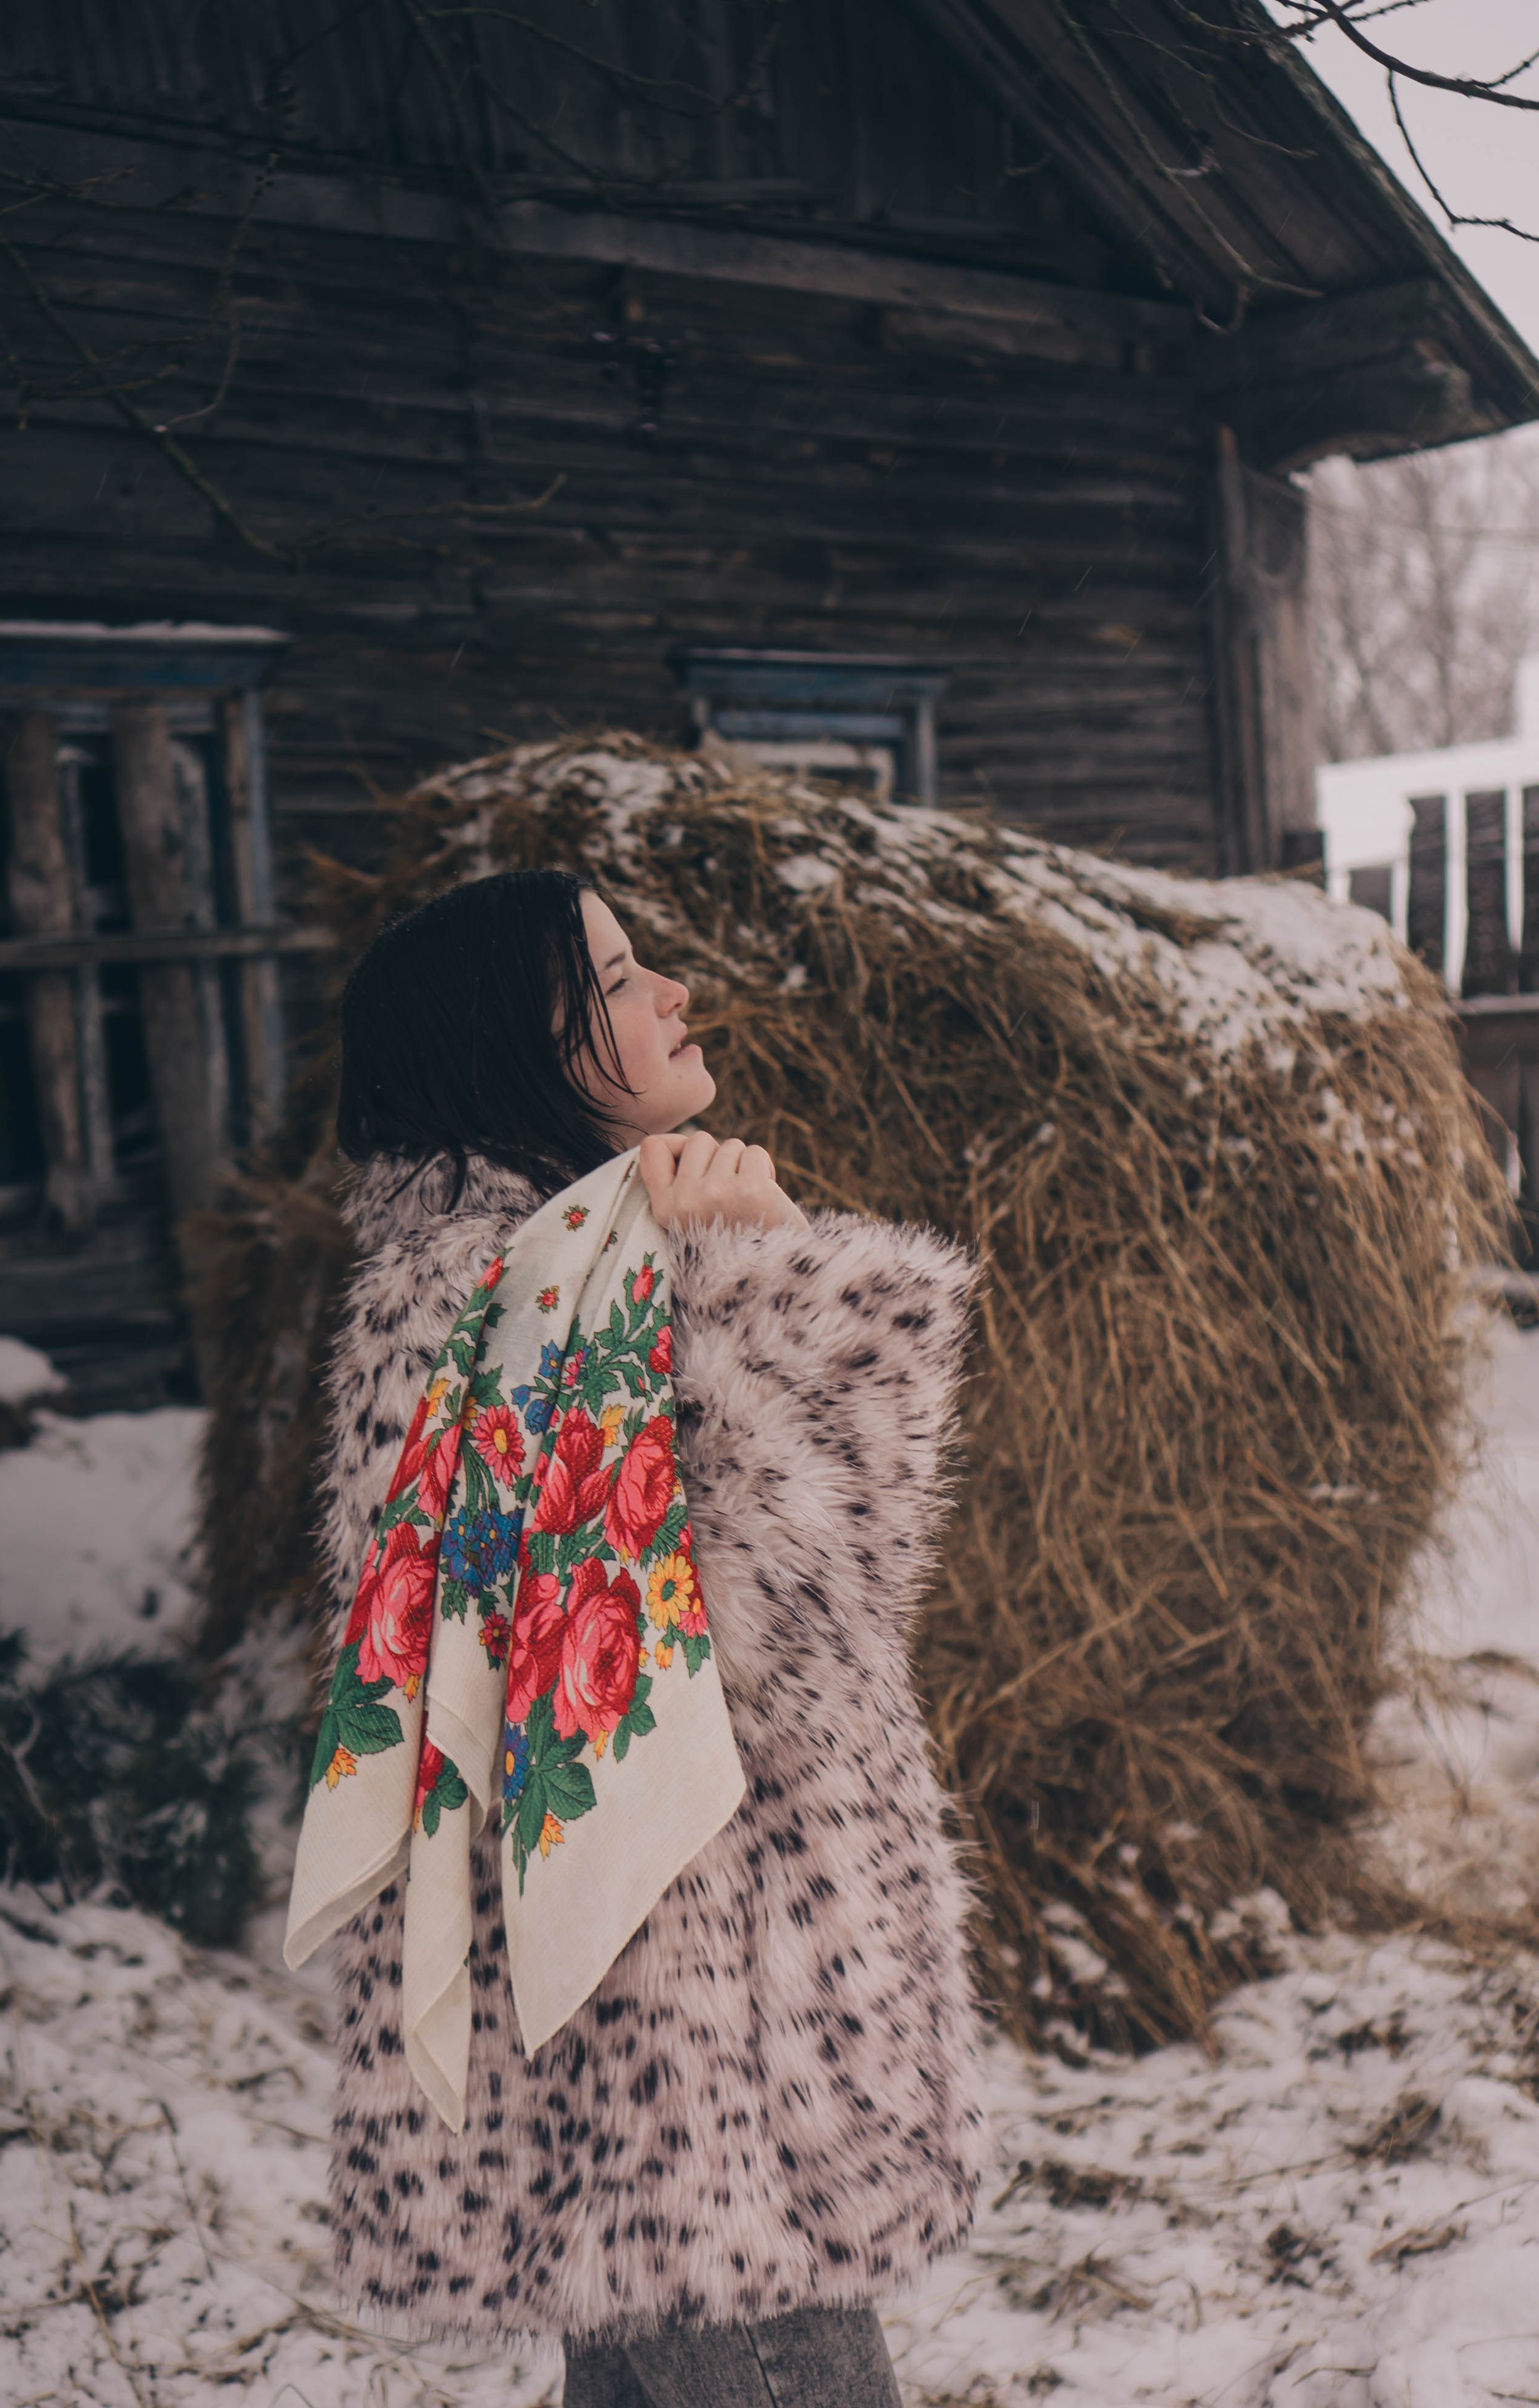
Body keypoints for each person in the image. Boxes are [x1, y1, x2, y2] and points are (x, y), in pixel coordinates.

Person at [317, 865, 986, 2407]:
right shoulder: (527, 1302)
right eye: (615, 982)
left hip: (659, 2050)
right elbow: (771, 1625)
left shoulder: (541, 1271)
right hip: (691, 2076)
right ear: (515, 1050)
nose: (672, 990)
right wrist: (764, 1265)